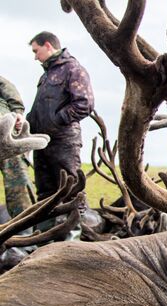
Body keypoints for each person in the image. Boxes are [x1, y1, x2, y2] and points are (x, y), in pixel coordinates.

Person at [27, 31, 94, 237]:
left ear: (48, 45)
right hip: (42, 143)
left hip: (64, 142)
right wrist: (27, 123)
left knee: (70, 193)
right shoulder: (46, 75)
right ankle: (44, 245)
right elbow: (40, 109)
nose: (35, 56)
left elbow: (85, 104)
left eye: (36, 51)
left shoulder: (73, 69)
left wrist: (56, 121)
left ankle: (72, 245)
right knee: (46, 195)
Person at [0, 76, 35, 220]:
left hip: (4, 132)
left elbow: (6, 87)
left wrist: (18, 112)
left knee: (18, 183)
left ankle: (26, 231)